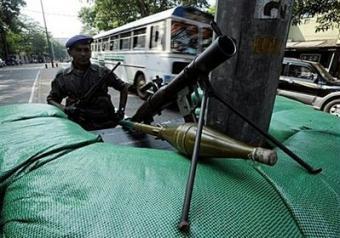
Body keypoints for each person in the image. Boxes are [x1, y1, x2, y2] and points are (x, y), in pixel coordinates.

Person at [47, 35, 129, 131]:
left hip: (106, 124)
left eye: (86, 50)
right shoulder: (63, 76)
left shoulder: (102, 72)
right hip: (78, 126)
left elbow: (123, 87)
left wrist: (121, 111)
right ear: (70, 53)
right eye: (78, 50)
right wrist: (65, 109)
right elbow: (51, 99)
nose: (83, 54)